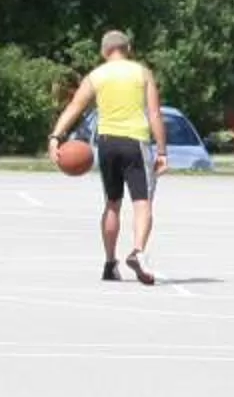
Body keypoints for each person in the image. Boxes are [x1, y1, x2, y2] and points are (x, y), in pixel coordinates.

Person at [48, 31, 167, 285]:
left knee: (112, 203)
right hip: (135, 141)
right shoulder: (141, 73)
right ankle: (137, 252)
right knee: (142, 202)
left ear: (104, 52)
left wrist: (56, 136)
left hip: (106, 142)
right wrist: (162, 150)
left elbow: (75, 107)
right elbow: (155, 113)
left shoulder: (97, 75)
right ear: (129, 48)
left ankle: (110, 263)